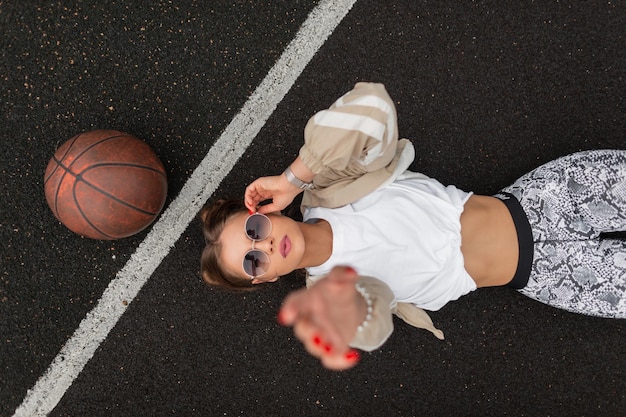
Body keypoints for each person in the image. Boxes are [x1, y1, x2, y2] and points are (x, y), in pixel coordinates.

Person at [200, 82, 626, 370]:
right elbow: (373, 318)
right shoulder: (336, 291)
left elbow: (373, 106)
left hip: (551, 197)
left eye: (255, 231)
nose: (268, 247)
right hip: (558, 278)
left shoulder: (334, 187)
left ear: (265, 213)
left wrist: (294, 179)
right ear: (263, 280)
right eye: (254, 261)